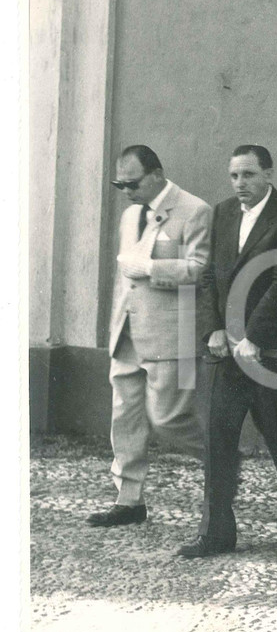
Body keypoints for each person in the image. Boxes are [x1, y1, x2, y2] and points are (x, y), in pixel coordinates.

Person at [179, 145, 277, 558]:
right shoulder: (221, 214)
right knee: (219, 438)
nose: (240, 184)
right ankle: (216, 532)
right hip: (227, 352)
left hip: (269, 349)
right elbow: (207, 279)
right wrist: (213, 330)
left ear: (269, 174)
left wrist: (254, 336)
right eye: (235, 176)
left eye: (249, 175)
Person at [87, 146, 211, 528]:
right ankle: (129, 501)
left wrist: (152, 266)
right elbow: (124, 277)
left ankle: (220, 461)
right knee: (125, 416)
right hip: (127, 332)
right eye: (119, 184)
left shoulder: (194, 210)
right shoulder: (129, 216)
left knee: (169, 418)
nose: (126, 190)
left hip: (171, 335)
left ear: (156, 174)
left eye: (133, 183)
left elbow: (200, 270)